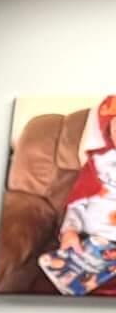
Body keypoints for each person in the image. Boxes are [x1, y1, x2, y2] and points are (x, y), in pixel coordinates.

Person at [41, 94, 116, 296]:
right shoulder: (96, 165)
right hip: (93, 242)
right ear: (108, 132)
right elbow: (77, 203)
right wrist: (70, 231)